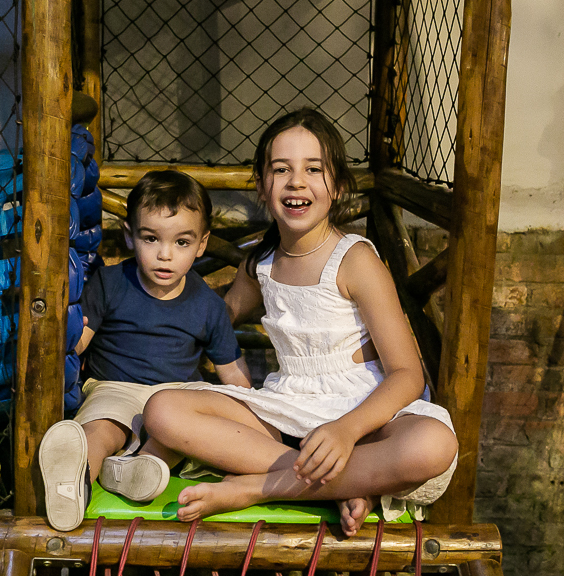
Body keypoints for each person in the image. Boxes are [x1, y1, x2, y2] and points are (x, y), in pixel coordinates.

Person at [141, 108, 459, 537]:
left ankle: (263, 488)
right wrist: (139, 314)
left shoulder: (355, 259)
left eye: (313, 169)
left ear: (338, 186)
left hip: (362, 414)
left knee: (432, 444)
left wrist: (346, 432)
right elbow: (216, 317)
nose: (296, 181)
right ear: (261, 184)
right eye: (281, 169)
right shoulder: (261, 266)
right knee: (163, 410)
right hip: (288, 407)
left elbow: (406, 374)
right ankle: (340, 484)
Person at [38, 170, 252, 531]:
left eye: (182, 243)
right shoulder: (110, 283)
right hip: (115, 387)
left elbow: (233, 374)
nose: (165, 255)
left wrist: (256, 416)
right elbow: (79, 342)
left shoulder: (208, 305)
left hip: (179, 397)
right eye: (151, 238)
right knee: (102, 429)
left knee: (185, 429)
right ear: (129, 236)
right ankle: (73, 483)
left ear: (201, 244)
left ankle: (140, 468)